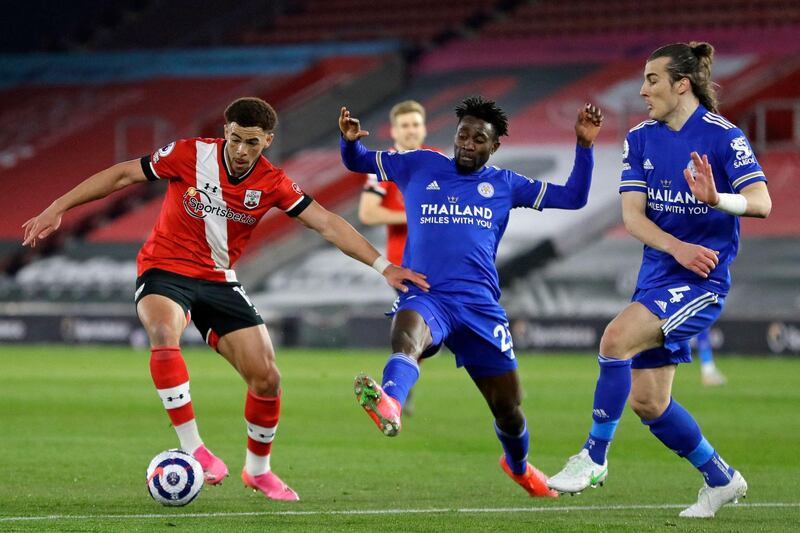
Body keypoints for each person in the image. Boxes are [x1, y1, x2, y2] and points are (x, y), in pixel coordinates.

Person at [22, 97, 428, 502]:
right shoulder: (189, 154)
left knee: (267, 378)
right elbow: (124, 175)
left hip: (219, 280)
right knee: (164, 332)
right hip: (164, 268)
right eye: (234, 139)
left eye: (251, 142)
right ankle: (193, 446)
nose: (240, 150)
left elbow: (326, 223)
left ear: (267, 140)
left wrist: (383, 266)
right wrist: (59, 206)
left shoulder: (273, 181)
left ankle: (258, 471)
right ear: (225, 132)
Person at [546, 42, 771, 519]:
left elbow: (761, 201)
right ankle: (721, 479)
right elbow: (632, 217)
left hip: (702, 282)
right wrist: (677, 248)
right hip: (660, 274)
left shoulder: (723, 136)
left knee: (615, 338)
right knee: (649, 402)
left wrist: (717, 200)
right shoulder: (641, 138)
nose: (643, 89)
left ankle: (593, 457)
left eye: (652, 79)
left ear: (681, 84)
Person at [339, 96, 603, 497]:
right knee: (407, 333)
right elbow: (358, 161)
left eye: (479, 139)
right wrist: (350, 143)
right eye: (463, 134)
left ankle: (518, 466)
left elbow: (574, 197)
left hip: (480, 307)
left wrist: (584, 146)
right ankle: (390, 402)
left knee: (509, 409)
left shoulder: (506, 183)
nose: (467, 143)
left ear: (494, 146)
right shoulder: (419, 164)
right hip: (428, 294)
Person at [358, 99, 430, 416]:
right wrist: (416, 213)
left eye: (416, 124)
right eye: (405, 125)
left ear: (424, 128)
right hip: (404, 265)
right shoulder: (383, 166)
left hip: (441, 262)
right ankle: (399, 391)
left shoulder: (438, 162)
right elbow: (368, 212)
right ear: (394, 130)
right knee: (417, 330)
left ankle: (401, 387)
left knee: (427, 333)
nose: (411, 130)